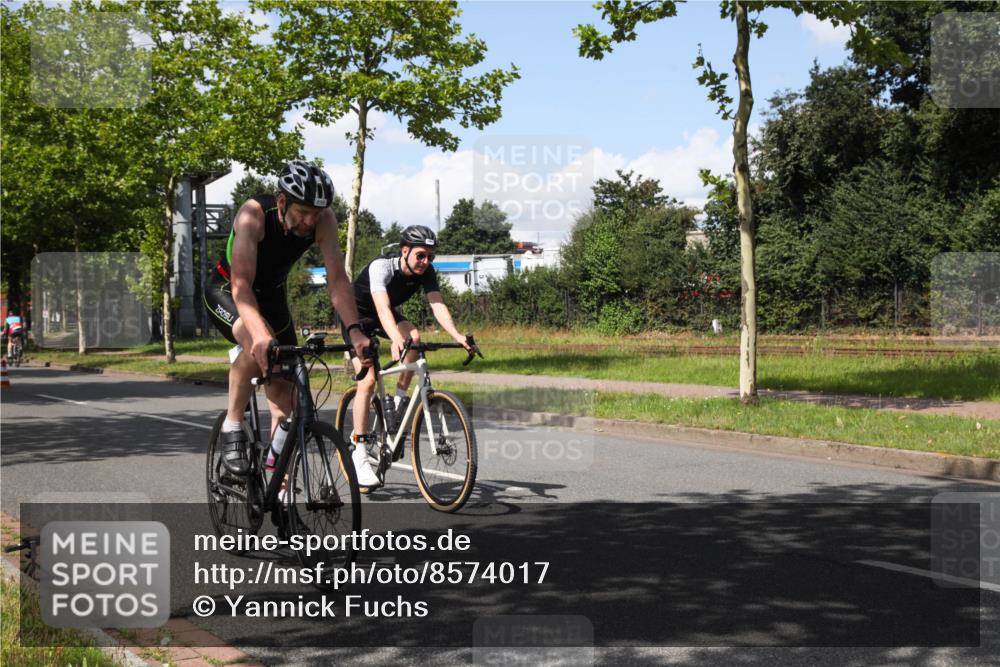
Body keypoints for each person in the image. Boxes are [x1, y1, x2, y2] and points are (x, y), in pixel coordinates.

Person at [204, 160, 371, 477]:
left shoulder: (324, 220)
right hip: (228, 289)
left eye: (316, 213)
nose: (310, 221)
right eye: (303, 212)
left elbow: (337, 280)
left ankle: (277, 482)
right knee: (256, 344)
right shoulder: (253, 216)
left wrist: (354, 333)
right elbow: (241, 286)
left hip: (273, 297)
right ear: (282, 202)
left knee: (289, 394)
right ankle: (232, 425)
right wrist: (260, 336)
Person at [343, 225, 471, 490]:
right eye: (421, 255)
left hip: (382, 316)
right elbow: (382, 306)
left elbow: (437, 304)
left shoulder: (427, 272)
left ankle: (399, 402)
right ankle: (358, 450)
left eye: (430, 256)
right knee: (366, 382)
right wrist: (394, 337)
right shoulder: (382, 267)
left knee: (415, 336)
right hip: (355, 318)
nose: (426, 261)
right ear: (405, 251)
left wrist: (457, 335)